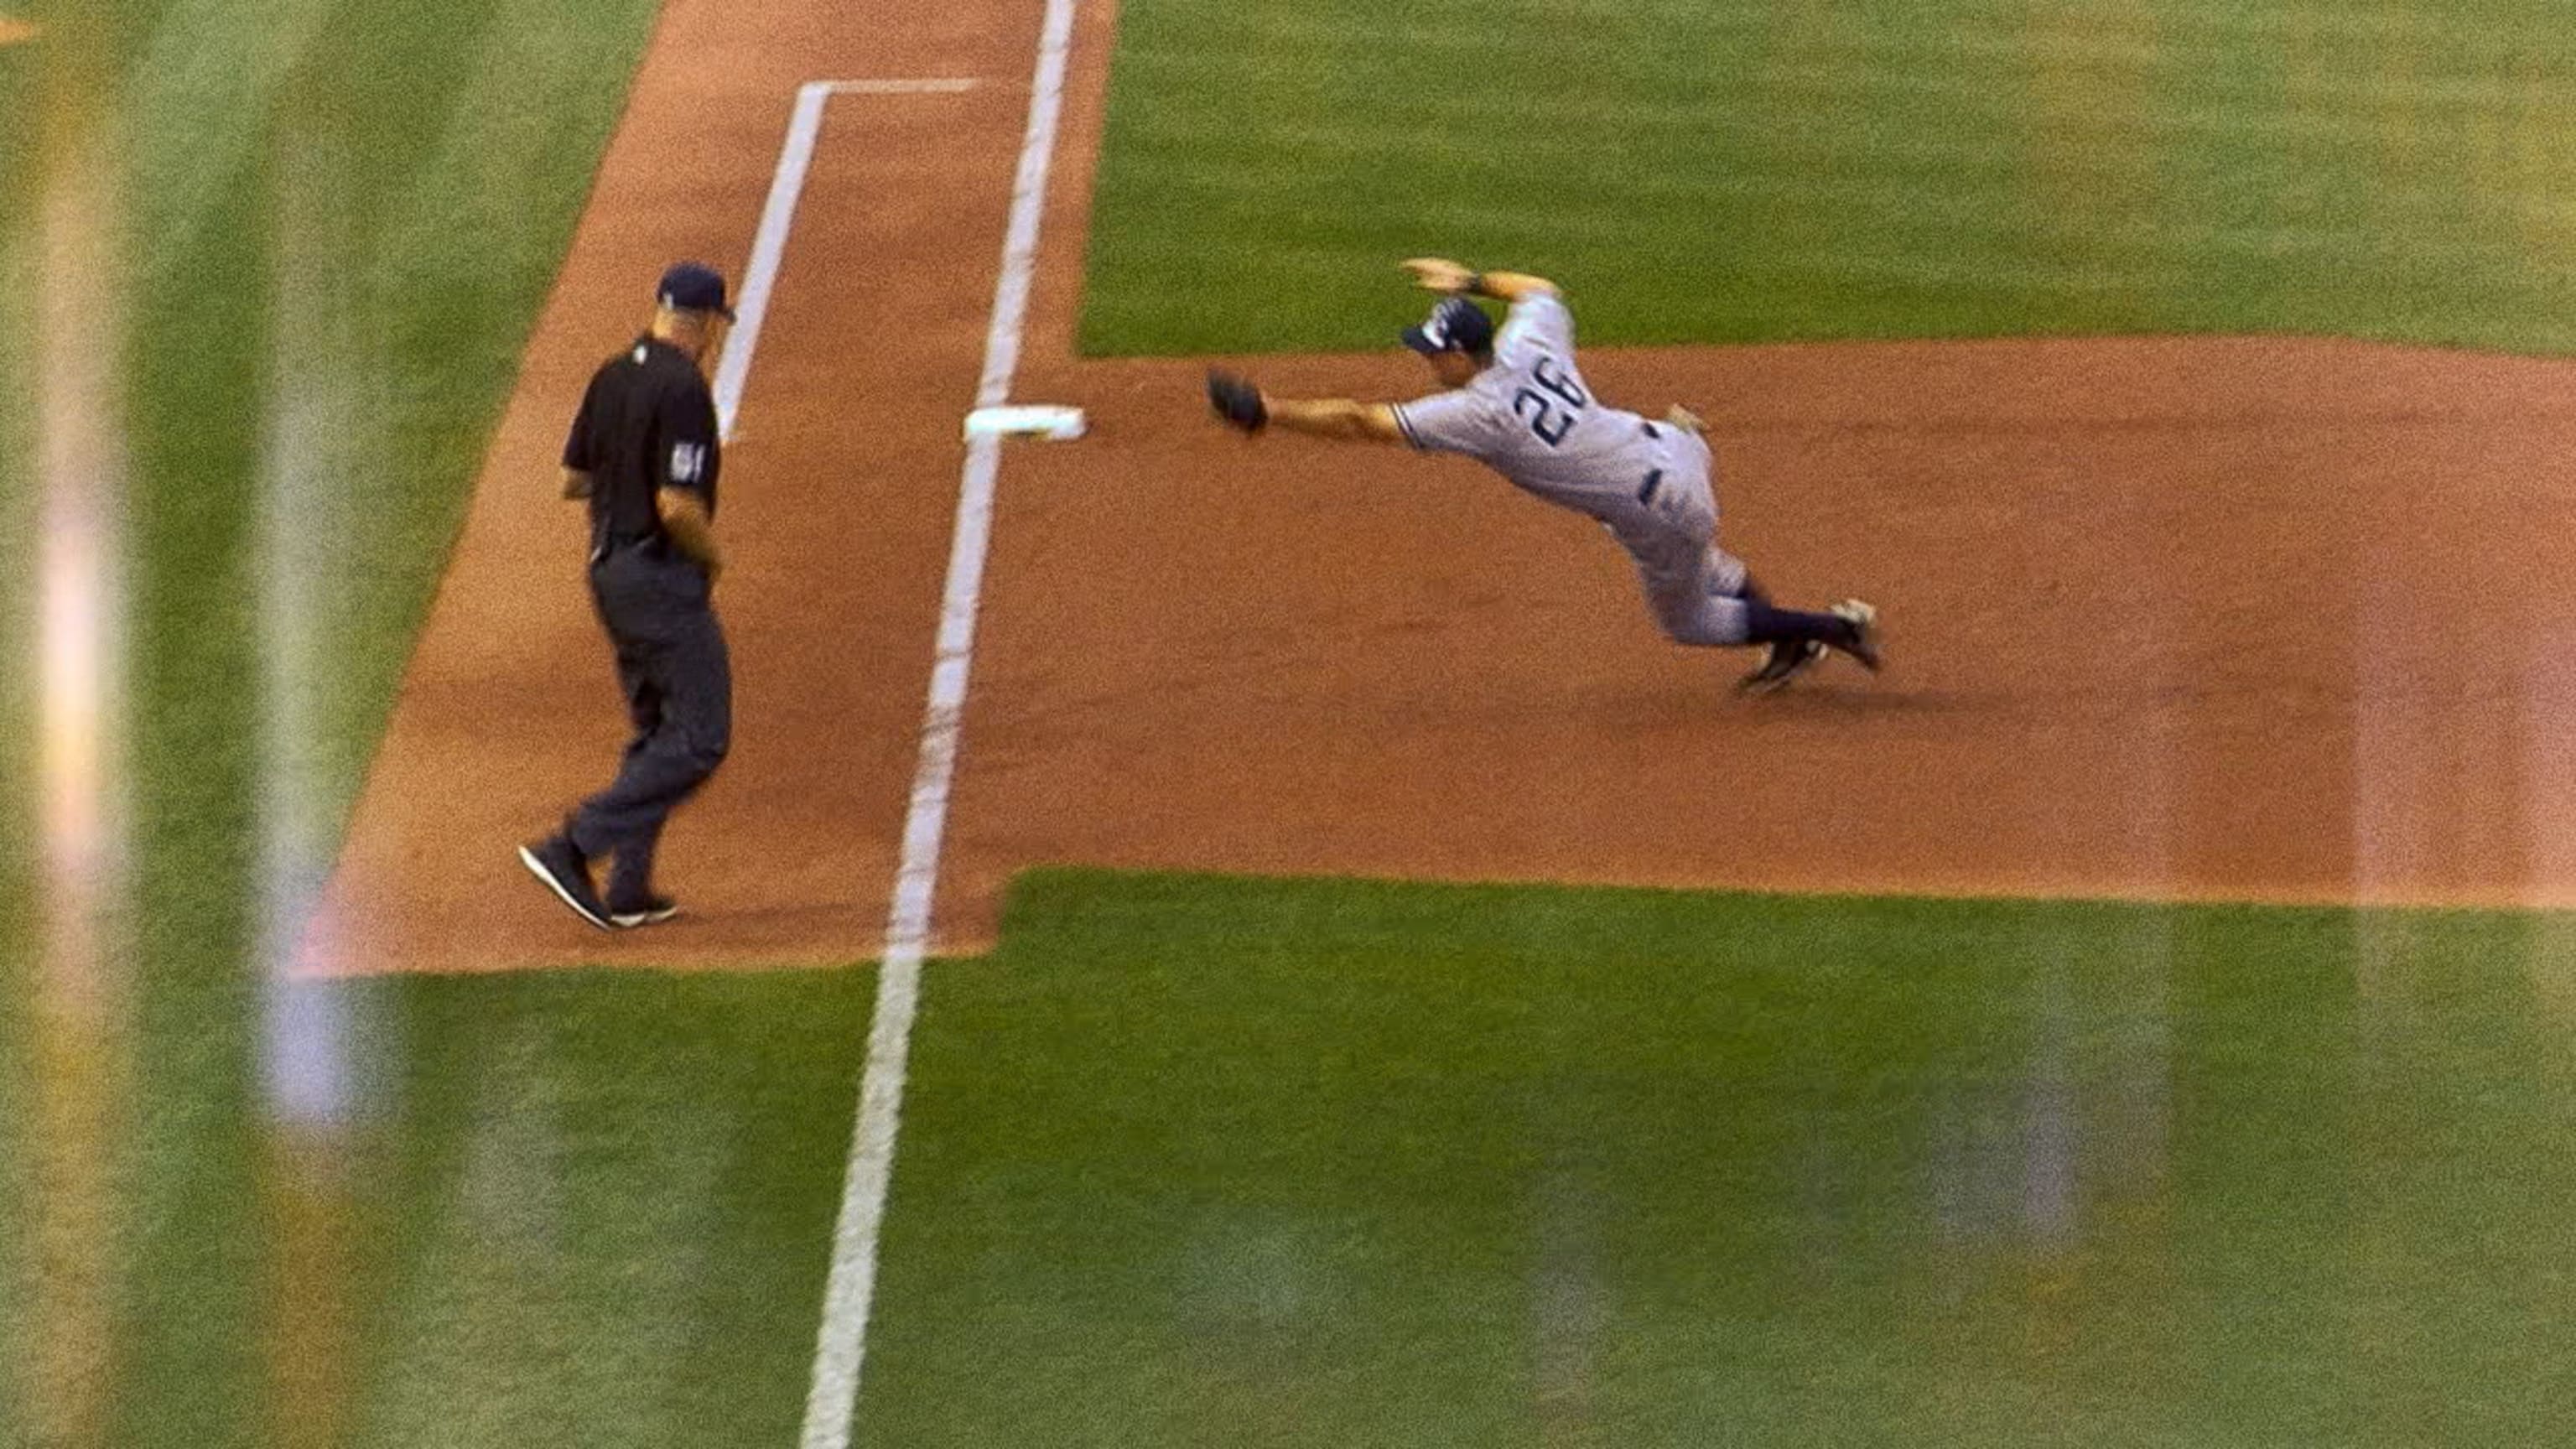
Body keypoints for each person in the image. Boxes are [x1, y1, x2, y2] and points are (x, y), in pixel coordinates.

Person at [1205, 257, 1878, 692]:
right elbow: (1540, 290)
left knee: (1691, 619)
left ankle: (1830, 629)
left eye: (1435, 353)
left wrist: (1271, 412)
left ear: (1466, 354)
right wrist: (1468, 281)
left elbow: (1360, 422)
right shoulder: (1528, 340)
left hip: (1658, 503)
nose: (1427, 362)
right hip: (1672, 449)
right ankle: (1790, 646)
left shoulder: (1478, 413)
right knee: (1704, 561)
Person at [518, 261, 735, 930]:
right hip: (656, 579)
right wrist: (713, 559)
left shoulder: (613, 374)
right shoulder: (683, 390)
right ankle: (575, 845)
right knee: (701, 738)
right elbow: (677, 506)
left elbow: (571, 481)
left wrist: (624, 482)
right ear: (700, 324)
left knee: (658, 728)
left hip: (609, 572)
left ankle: (630, 887)